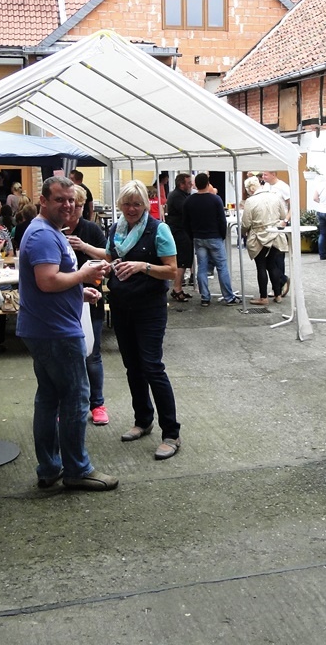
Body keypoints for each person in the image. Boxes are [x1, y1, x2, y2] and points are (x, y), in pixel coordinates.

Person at [17, 175, 117, 491]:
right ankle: (77, 469)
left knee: (48, 397)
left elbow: (49, 281)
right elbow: (47, 281)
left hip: (44, 327)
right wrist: (84, 274)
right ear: (43, 201)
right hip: (55, 331)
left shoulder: (47, 232)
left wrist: (78, 291)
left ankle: (50, 467)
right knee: (75, 397)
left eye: (71, 199)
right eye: (60, 199)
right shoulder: (44, 235)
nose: (68, 205)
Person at [103, 180, 182, 460]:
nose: (131, 208)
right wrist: (100, 262)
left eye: (137, 204)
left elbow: (172, 271)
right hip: (122, 305)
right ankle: (142, 420)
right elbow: (111, 257)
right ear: (120, 205)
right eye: (127, 203)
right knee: (132, 367)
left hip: (150, 308)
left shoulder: (159, 229)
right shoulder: (116, 228)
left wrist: (143, 266)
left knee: (152, 367)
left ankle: (171, 433)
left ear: (145, 205)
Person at [64, 185, 110, 426]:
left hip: (91, 299)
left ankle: (98, 404)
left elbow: (109, 256)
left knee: (92, 355)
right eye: (72, 204)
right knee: (67, 356)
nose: (75, 210)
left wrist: (84, 247)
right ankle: (71, 404)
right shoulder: (54, 229)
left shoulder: (90, 229)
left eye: (80, 205)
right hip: (63, 301)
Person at [183, 172, 239, 307]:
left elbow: (186, 222)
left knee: (202, 267)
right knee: (222, 267)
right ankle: (228, 296)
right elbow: (221, 219)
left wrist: (192, 235)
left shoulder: (189, 201)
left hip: (198, 237)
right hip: (214, 236)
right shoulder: (215, 199)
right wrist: (222, 235)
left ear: (196, 185)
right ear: (208, 184)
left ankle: (205, 297)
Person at [240, 175, 289, 304]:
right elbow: (283, 215)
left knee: (261, 266)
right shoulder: (275, 196)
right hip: (275, 234)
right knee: (272, 264)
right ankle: (278, 294)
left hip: (258, 236)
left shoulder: (251, 201)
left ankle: (263, 297)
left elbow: (246, 223)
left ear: (251, 188)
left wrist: (243, 233)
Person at [165, 172, 194, 302]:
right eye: (189, 183)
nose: (191, 185)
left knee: (184, 260)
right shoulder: (177, 196)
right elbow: (187, 211)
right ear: (181, 184)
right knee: (182, 260)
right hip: (178, 231)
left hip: (180, 230)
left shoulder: (180, 195)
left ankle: (178, 288)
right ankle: (177, 289)